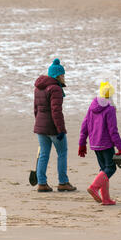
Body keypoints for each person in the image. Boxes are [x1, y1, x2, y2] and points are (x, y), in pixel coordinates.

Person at [33, 58, 76, 192]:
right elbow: (56, 111)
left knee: (44, 154)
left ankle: (41, 183)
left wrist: (39, 123)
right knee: (62, 153)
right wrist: (61, 130)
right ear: (58, 75)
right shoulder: (55, 89)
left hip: (41, 126)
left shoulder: (38, 88)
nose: (64, 77)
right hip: (53, 128)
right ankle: (63, 182)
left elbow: (35, 109)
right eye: (63, 75)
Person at [78, 81, 121, 205]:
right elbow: (113, 131)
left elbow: (84, 125)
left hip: (95, 144)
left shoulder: (92, 106)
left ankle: (106, 199)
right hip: (106, 144)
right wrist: (120, 147)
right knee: (111, 168)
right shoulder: (110, 109)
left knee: (104, 169)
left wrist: (82, 143)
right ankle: (94, 187)